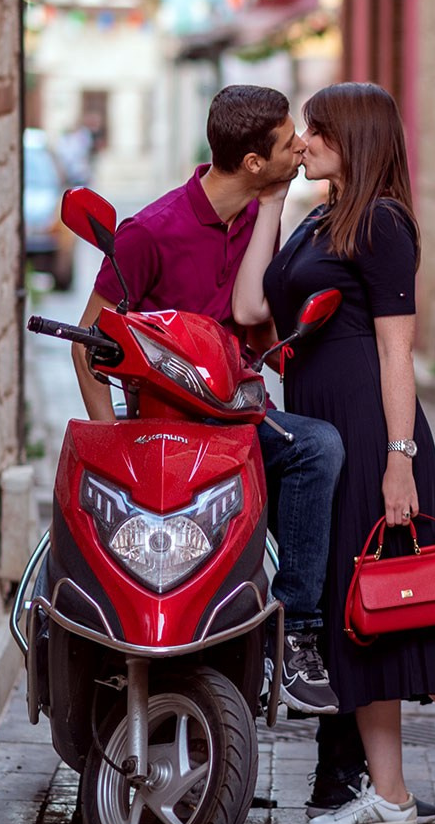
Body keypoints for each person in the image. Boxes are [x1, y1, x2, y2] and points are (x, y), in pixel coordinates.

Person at [232, 81, 435, 824]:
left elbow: (399, 352)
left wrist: (401, 458)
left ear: (352, 138)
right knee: (351, 612)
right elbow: (250, 311)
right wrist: (269, 195)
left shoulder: (384, 223)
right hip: (320, 427)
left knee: (409, 602)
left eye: (317, 131)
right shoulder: (317, 217)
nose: (304, 140)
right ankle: (389, 796)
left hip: (371, 425)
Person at [70, 84, 342, 717]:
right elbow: (90, 345)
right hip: (164, 434)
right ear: (253, 163)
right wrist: (112, 437)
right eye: (288, 140)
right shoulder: (149, 233)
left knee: (319, 447)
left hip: (240, 424)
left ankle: (295, 631)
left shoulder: (260, 216)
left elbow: (258, 324)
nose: (300, 145)